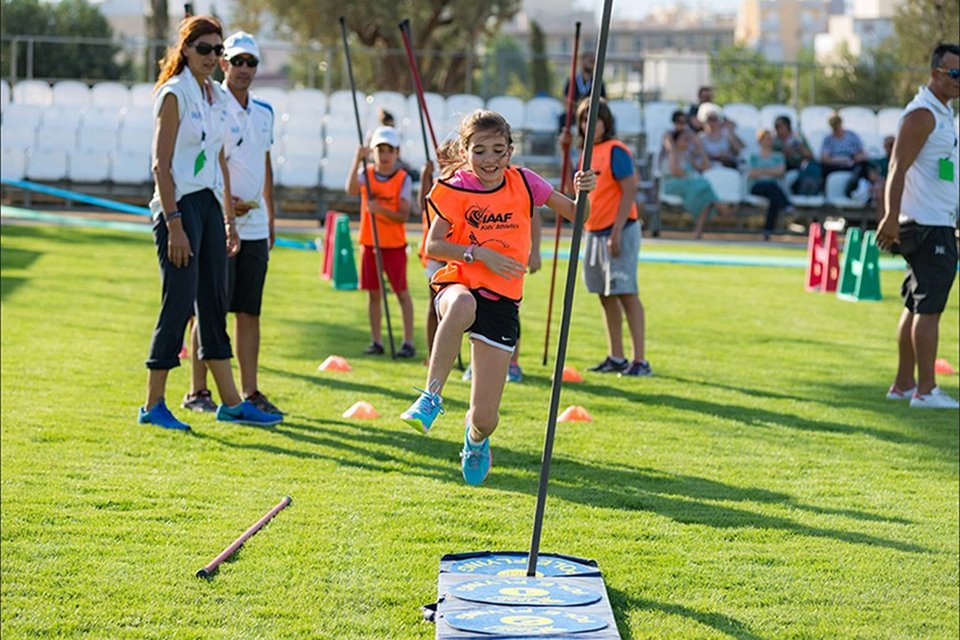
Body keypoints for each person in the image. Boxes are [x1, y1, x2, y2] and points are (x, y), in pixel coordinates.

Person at [400, 109, 596, 485]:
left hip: (503, 299)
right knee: (461, 304)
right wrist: (479, 253)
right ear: (466, 150)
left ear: (509, 151)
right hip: (460, 281)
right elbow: (434, 244)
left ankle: (474, 440)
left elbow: (576, 215)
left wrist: (584, 190)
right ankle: (431, 397)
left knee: (485, 418)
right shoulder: (456, 187)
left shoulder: (524, 182)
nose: (488, 159)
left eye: (497, 150)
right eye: (479, 151)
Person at [139, 15, 281, 430]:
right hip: (178, 207)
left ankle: (232, 402)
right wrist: (175, 223)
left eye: (218, 50)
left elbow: (218, 157)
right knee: (179, 303)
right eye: (205, 49)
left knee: (215, 305)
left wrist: (228, 222)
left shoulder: (210, 96)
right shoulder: (174, 94)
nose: (212, 57)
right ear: (185, 49)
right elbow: (160, 165)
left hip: (207, 207)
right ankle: (153, 405)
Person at [181, 31, 283, 416]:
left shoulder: (266, 112)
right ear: (223, 64)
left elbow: (266, 164)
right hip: (220, 224)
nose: (243, 68)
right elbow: (215, 162)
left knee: (249, 311)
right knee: (210, 307)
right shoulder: (212, 105)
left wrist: (271, 216)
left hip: (255, 225)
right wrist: (226, 212)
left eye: (250, 62)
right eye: (236, 61)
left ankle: (251, 390)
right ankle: (197, 391)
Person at [876, 43, 959, 409]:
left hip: (936, 219)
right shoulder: (922, 114)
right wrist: (890, 217)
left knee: (914, 305)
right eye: (954, 74)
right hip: (927, 224)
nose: (959, 81)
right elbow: (897, 168)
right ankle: (926, 391)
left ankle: (903, 384)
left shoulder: (943, 111)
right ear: (935, 73)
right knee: (929, 310)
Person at [574, 99, 651, 377]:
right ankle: (616, 355)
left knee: (626, 292)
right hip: (594, 231)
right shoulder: (586, 153)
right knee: (605, 295)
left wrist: (617, 231)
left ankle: (640, 359)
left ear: (606, 123)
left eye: (594, 120)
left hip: (619, 230)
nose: (589, 126)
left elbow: (630, 189)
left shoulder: (615, 150)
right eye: (584, 120)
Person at [345, 125, 417, 358]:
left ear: (397, 153)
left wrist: (380, 210)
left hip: (394, 245)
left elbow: (403, 215)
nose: (385, 155)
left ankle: (408, 342)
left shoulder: (402, 178)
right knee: (373, 295)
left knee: (401, 293)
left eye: (389, 150)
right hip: (370, 243)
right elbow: (350, 190)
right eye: (380, 150)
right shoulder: (366, 174)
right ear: (373, 152)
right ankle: (376, 341)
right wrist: (356, 160)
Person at [662, 129, 729, 239]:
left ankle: (698, 231)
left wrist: (699, 147)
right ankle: (721, 207)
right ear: (676, 141)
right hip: (673, 185)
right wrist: (672, 145)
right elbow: (678, 172)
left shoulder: (688, 156)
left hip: (690, 186)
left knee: (707, 196)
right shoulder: (672, 154)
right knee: (704, 184)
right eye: (684, 139)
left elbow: (706, 165)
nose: (687, 142)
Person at [746, 129, 792, 241]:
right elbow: (751, 172)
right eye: (766, 139)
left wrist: (762, 171)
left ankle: (767, 231)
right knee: (772, 188)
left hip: (773, 188)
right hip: (757, 186)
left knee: (774, 198)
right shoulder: (753, 156)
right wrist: (771, 171)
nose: (769, 141)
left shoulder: (778, 156)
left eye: (771, 139)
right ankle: (787, 206)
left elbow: (780, 172)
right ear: (760, 140)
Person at [773, 115, 821, 195]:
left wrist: (800, 148)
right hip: (784, 166)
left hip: (800, 165)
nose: (777, 129)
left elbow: (810, 155)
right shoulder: (775, 142)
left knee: (814, 166)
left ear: (787, 126)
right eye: (776, 127)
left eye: (779, 126)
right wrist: (784, 153)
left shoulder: (798, 137)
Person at [558, 51, 606, 131]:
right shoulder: (572, 80)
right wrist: (576, 107)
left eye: (592, 61)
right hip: (575, 112)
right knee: (563, 118)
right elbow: (565, 99)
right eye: (588, 60)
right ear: (582, 62)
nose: (590, 63)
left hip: (592, 113)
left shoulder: (598, 82)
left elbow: (604, 100)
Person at [697, 104, 744, 169]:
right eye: (709, 119)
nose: (712, 123)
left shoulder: (726, 134)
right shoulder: (701, 137)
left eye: (715, 119)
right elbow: (699, 155)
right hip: (711, 166)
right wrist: (715, 156)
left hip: (728, 164)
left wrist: (732, 134)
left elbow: (740, 150)